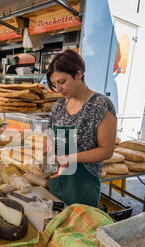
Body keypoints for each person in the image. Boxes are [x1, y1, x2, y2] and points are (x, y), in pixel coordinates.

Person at [46, 49, 117, 207]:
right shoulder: (58, 106)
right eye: (54, 83)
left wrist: (69, 158)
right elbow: (51, 136)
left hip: (83, 190)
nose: (58, 89)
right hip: (56, 185)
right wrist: (48, 148)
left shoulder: (100, 106)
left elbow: (107, 150)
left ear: (78, 74)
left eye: (62, 82)